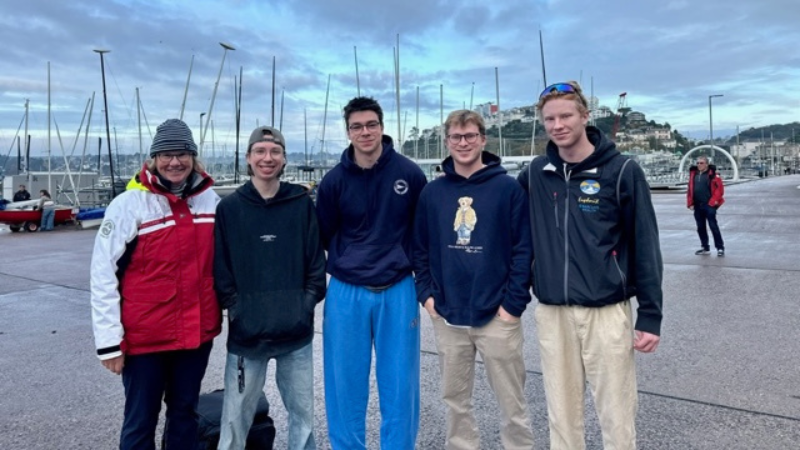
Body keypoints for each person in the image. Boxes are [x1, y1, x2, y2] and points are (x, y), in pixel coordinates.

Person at [517, 81, 664, 450]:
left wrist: (650, 315)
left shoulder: (623, 171)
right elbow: (504, 222)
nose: (557, 125)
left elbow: (646, 245)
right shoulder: (536, 173)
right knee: (561, 414)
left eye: (566, 115)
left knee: (616, 413)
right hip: (553, 311)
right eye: (549, 119)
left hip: (606, 310)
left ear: (584, 116)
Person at [90, 119, 221, 450]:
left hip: (195, 336)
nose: (174, 162)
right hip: (144, 340)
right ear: (153, 159)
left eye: (182, 154)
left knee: (184, 415)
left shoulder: (211, 202)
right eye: (165, 154)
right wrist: (108, 342)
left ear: (193, 157)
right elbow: (102, 273)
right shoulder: (128, 205)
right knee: (140, 421)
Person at [413, 110, 535, 450]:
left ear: (483, 139)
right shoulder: (432, 193)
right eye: (456, 137)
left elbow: (523, 250)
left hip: (498, 314)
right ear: (447, 142)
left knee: (512, 402)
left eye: (470, 136)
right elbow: (419, 249)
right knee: (455, 399)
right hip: (448, 314)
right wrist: (426, 296)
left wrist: (512, 306)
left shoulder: (508, 189)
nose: (463, 143)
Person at [315, 96, 427, 450]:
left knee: (400, 384)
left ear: (382, 126)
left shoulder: (409, 174)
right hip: (347, 290)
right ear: (348, 132)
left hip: (398, 288)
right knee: (344, 384)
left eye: (371, 125)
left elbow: (422, 233)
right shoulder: (333, 181)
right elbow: (322, 233)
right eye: (357, 127)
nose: (365, 132)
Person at [214, 126, 327, 450]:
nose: (268, 158)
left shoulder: (301, 204)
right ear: (248, 158)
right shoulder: (230, 209)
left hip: (297, 332)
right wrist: (236, 308)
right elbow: (221, 271)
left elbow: (315, 265)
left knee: (303, 419)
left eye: (275, 152)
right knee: (235, 419)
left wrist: (305, 305)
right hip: (247, 335)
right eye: (260, 151)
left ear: (284, 158)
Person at [687, 155, 725, 256]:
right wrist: (690, 203)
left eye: (701, 163)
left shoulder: (713, 175)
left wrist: (712, 202)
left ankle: (720, 248)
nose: (699, 165)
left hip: (709, 206)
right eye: (698, 163)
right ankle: (705, 247)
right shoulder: (693, 175)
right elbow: (689, 190)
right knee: (700, 227)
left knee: (713, 226)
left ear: (707, 164)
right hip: (697, 206)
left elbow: (719, 190)